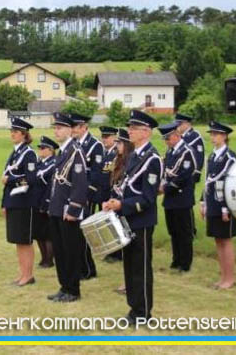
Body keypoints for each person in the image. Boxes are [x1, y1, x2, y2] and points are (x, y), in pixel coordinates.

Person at [103, 110, 162, 323]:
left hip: (141, 219)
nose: (130, 131)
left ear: (146, 132)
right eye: (130, 127)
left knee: (141, 267)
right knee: (129, 265)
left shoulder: (152, 159)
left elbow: (147, 198)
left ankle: (143, 311)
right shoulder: (134, 155)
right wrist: (113, 202)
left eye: (134, 128)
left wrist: (122, 204)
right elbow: (124, 187)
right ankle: (133, 308)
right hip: (126, 216)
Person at [46, 112, 88, 303]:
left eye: (60, 128)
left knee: (70, 250)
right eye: (55, 127)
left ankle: (73, 289)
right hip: (57, 208)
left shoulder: (76, 152)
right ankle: (64, 286)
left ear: (71, 130)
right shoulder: (64, 151)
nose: (57, 131)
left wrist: (74, 208)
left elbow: (79, 183)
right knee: (60, 251)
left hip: (67, 210)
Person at [200, 121, 236, 290]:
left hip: (225, 204)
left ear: (224, 136)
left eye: (216, 134)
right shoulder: (212, 155)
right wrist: (203, 202)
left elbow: (228, 183)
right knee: (218, 240)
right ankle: (223, 276)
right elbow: (207, 181)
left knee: (226, 240)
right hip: (213, 202)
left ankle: (230, 278)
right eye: (212, 134)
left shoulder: (230, 157)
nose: (213, 137)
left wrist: (225, 208)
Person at [1, 117, 38, 287]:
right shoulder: (15, 152)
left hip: (24, 202)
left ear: (24, 135)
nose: (12, 134)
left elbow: (30, 179)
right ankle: (22, 273)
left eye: (16, 132)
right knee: (17, 240)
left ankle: (28, 275)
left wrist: (10, 180)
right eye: (12, 131)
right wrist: (4, 203)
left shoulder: (29, 153)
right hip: (14, 201)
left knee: (25, 240)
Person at [159, 123, 197, 273]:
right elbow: (166, 172)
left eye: (168, 138)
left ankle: (185, 263)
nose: (166, 141)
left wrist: (165, 188)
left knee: (184, 232)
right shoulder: (170, 152)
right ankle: (176, 260)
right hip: (170, 199)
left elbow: (183, 175)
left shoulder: (187, 151)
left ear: (176, 135)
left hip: (182, 198)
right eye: (165, 139)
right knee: (173, 231)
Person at [70, 113, 103, 280]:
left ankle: (88, 269)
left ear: (84, 127)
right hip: (72, 194)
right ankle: (78, 265)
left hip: (84, 196)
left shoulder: (95, 145)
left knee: (83, 231)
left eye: (75, 126)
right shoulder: (74, 144)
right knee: (74, 233)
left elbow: (96, 174)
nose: (73, 130)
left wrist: (86, 195)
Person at [109, 128, 134, 293]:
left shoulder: (130, 161)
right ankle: (127, 281)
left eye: (119, 143)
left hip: (127, 207)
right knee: (126, 248)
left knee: (132, 249)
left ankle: (130, 283)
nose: (116, 145)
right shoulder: (117, 160)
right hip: (118, 206)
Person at [32, 136, 58, 268]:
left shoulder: (53, 163)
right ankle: (43, 258)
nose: (40, 150)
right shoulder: (40, 163)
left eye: (43, 148)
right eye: (40, 148)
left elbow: (50, 186)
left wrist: (46, 203)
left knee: (47, 233)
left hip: (46, 201)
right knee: (38, 233)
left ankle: (49, 260)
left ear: (50, 150)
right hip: (36, 201)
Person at [98, 126, 121, 263]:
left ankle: (117, 253)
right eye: (103, 137)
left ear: (114, 138)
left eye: (107, 137)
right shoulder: (105, 153)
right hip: (104, 193)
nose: (104, 139)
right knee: (108, 224)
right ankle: (112, 251)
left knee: (115, 224)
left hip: (112, 193)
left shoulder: (116, 154)